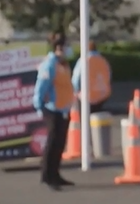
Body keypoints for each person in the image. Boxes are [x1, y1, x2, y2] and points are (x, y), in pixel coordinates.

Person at [33, 33, 75, 191]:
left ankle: (55, 174)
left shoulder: (63, 64)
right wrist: (39, 106)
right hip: (52, 109)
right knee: (52, 143)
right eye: (67, 46)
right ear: (59, 47)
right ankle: (47, 175)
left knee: (60, 144)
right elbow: (41, 86)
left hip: (64, 109)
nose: (69, 49)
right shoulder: (50, 64)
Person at [72, 40, 112, 114]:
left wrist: (75, 91)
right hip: (102, 95)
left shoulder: (83, 60)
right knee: (97, 117)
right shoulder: (103, 61)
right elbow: (108, 76)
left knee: (84, 117)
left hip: (86, 95)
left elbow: (76, 79)